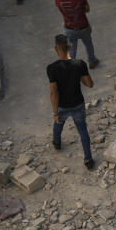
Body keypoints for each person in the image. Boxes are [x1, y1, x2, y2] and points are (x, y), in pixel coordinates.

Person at [47, 34, 95, 169]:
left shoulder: (52, 68)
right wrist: (79, 74)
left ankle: (57, 143)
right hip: (77, 103)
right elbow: (90, 84)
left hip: (62, 106)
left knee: (58, 124)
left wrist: (55, 112)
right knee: (83, 131)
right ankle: (88, 160)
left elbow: (53, 92)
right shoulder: (80, 64)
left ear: (56, 48)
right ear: (70, 47)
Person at [55, 0, 99, 68]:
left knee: (72, 49)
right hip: (83, 27)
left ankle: (72, 67)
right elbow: (87, 9)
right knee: (88, 44)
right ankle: (92, 61)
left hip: (69, 28)